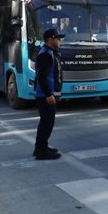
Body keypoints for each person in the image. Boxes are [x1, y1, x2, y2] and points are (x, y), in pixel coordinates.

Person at [33, 28, 65, 160]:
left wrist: (57, 93)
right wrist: (48, 94)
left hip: (50, 94)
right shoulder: (45, 54)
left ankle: (41, 147)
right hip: (45, 96)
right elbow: (42, 77)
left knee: (48, 123)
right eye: (58, 38)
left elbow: (55, 75)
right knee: (46, 123)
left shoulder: (52, 53)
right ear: (51, 39)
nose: (60, 40)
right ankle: (41, 151)